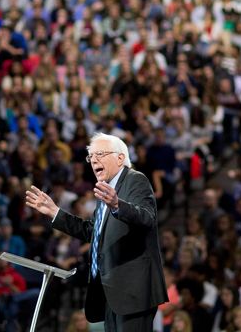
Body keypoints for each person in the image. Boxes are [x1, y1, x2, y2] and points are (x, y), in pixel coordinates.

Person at [26, 132, 168, 331]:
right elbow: (91, 232)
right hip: (110, 290)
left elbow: (147, 218)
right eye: (91, 157)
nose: (94, 161)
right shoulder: (106, 191)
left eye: (100, 154)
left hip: (132, 289)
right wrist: (55, 212)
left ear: (120, 158)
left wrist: (118, 204)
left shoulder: (135, 180)